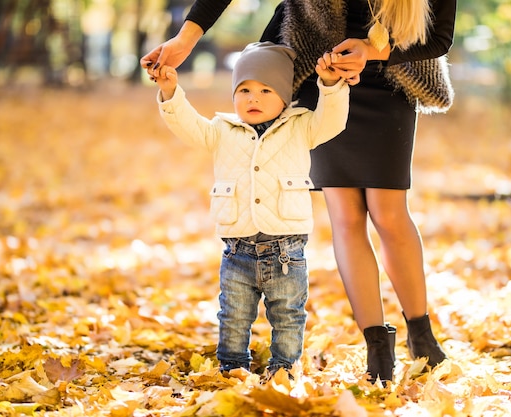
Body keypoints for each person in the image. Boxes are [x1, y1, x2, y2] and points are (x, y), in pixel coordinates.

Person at [140, 0, 456, 384]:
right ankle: (377, 345)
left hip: (391, 75)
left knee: (388, 213)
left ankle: (421, 334)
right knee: (346, 216)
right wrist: (185, 39)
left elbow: (439, 37)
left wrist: (372, 52)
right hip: (319, 71)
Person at [148, 41, 350, 377]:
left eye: (265, 90)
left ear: (284, 97)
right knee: (233, 313)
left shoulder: (301, 127)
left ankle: (284, 367)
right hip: (237, 249)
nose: (252, 98)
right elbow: (187, 126)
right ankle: (232, 366)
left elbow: (333, 120)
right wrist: (170, 92)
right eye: (244, 90)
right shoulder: (222, 131)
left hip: (286, 249)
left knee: (287, 313)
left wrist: (329, 86)